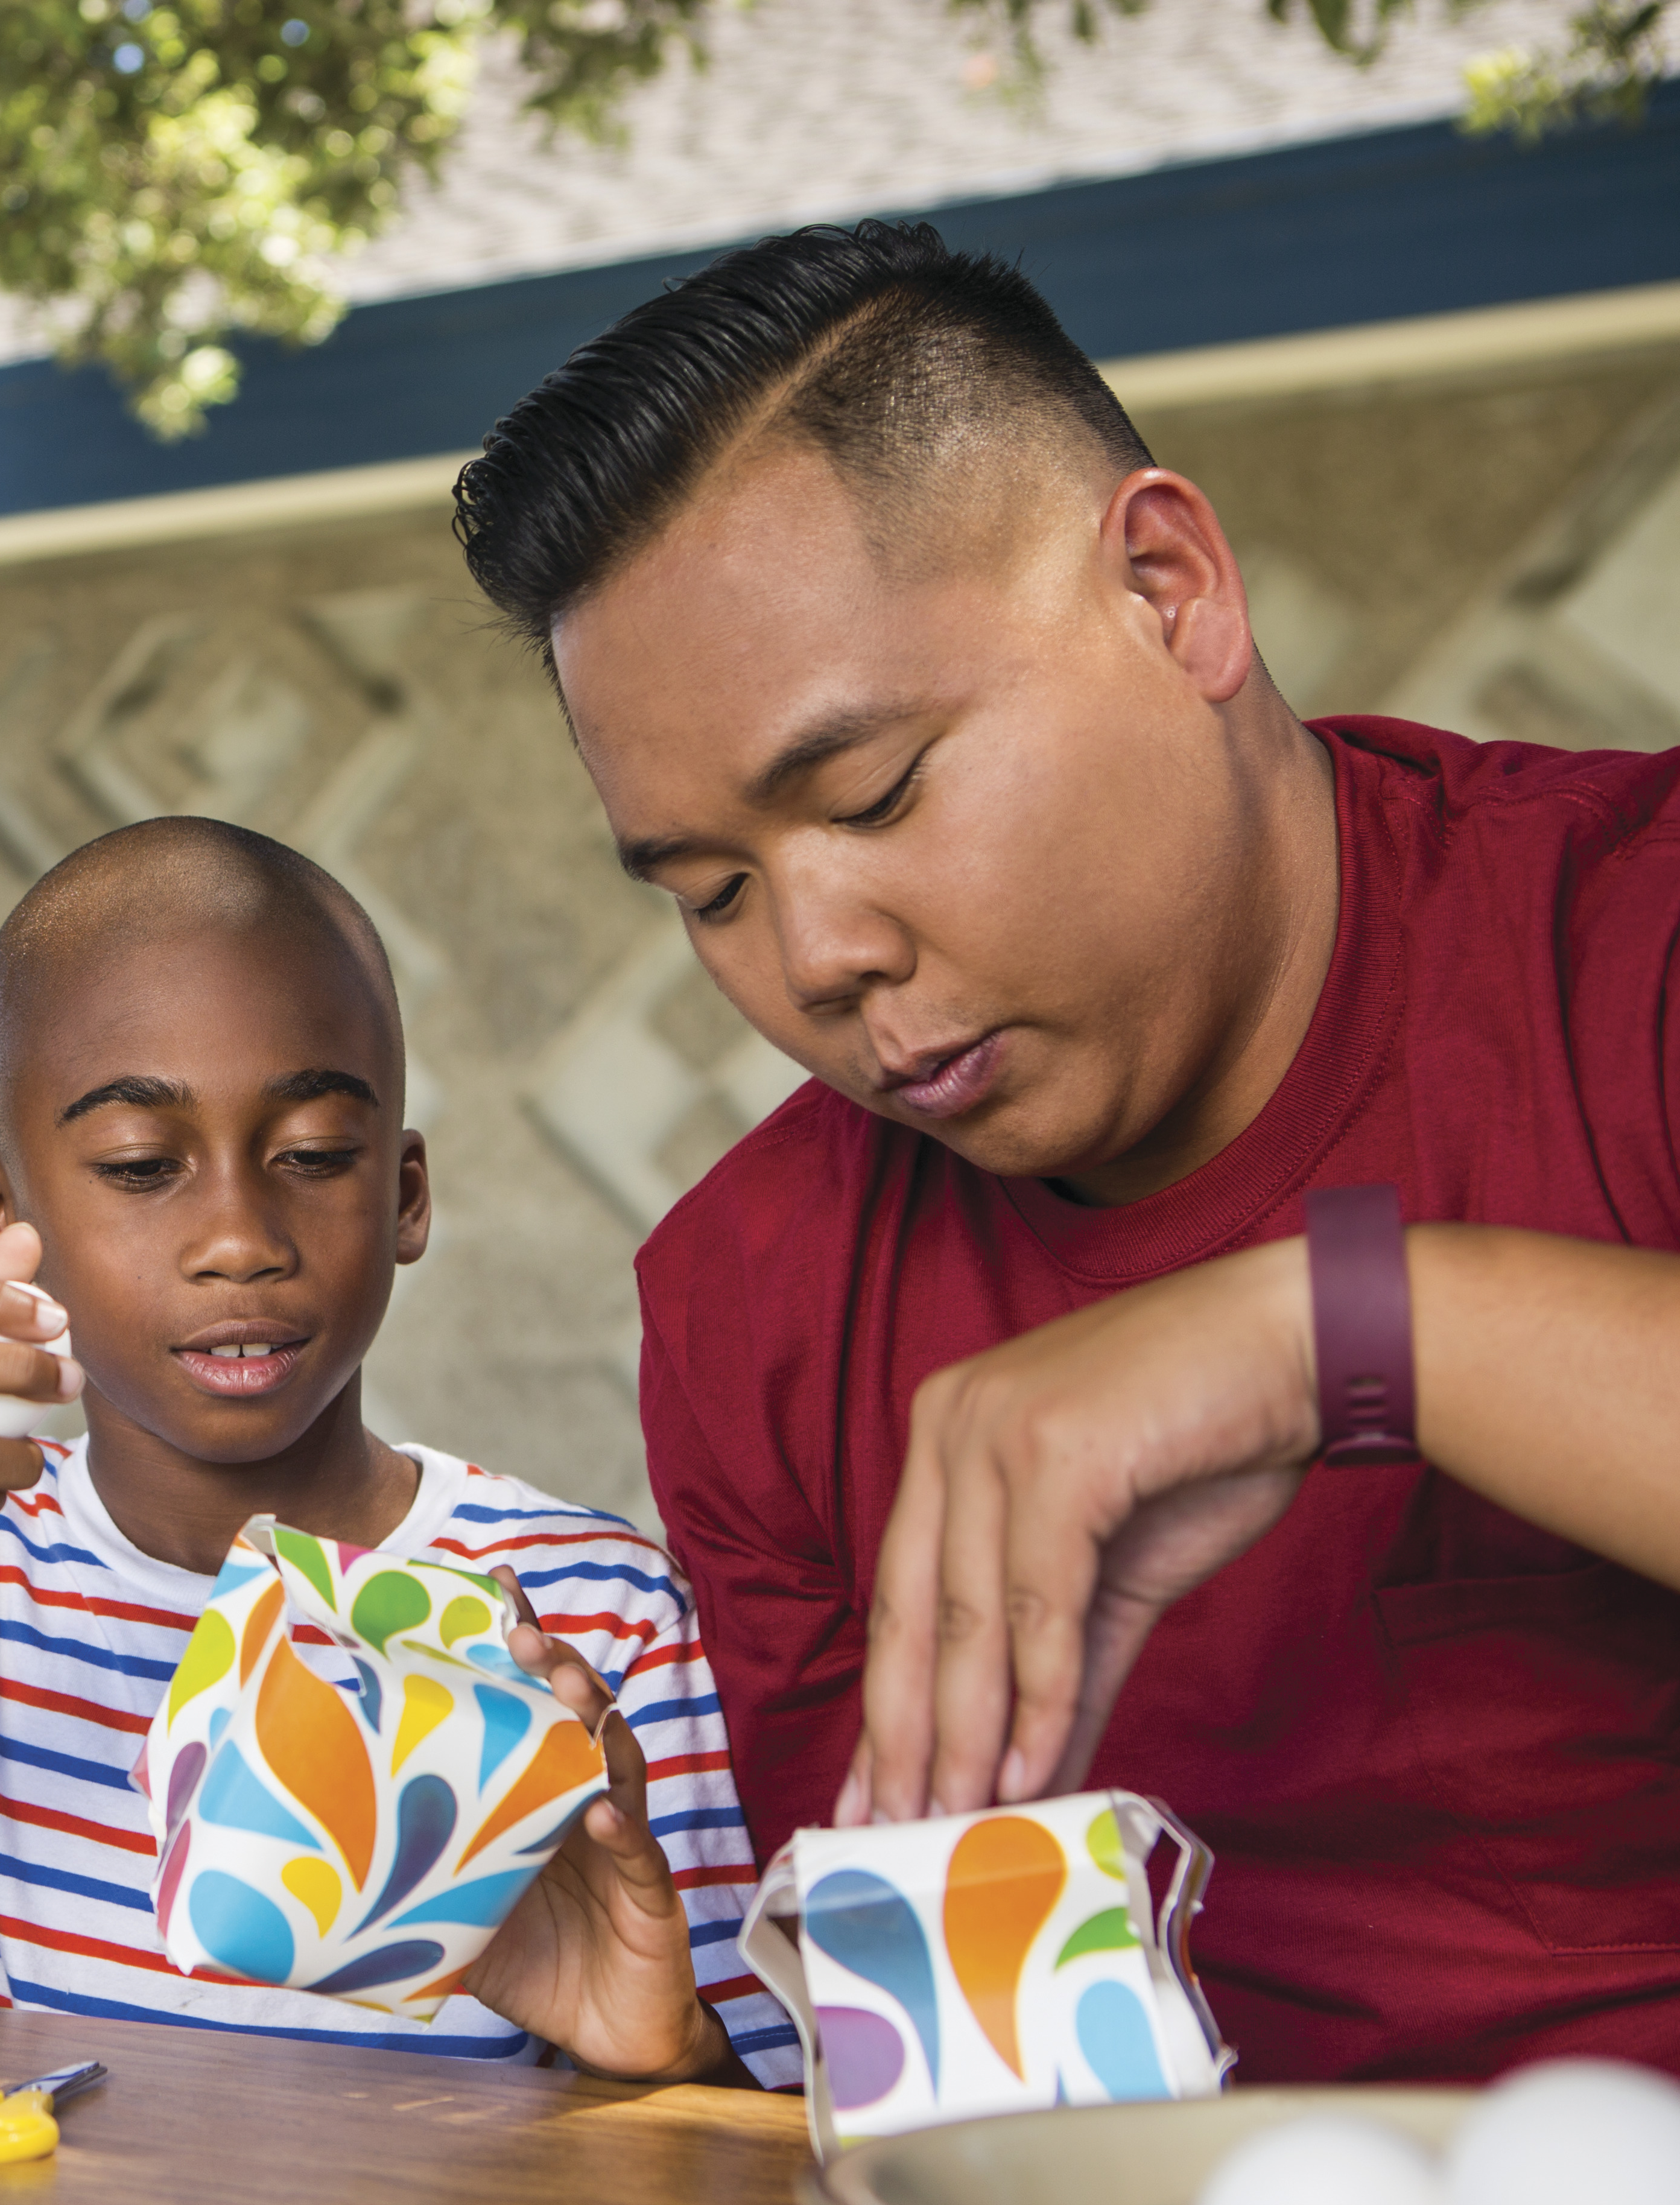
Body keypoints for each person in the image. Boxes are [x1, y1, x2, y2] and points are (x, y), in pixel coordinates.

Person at [451, 221, 1680, 2080]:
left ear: (1172, 591)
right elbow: (922, 2079)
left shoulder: (1632, 954)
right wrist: (690, 2058)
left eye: (873, 795)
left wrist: (1337, 1333)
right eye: (709, 892)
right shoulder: (755, 1303)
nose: (814, 960)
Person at [0, 817, 797, 2084]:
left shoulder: (592, 1617)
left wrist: (667, 2055)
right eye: (140, 1167)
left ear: (405, 1195)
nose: (239, 1235)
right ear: (4, 1217)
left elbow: (752, 2132)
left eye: (313, 1156)